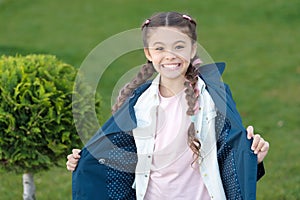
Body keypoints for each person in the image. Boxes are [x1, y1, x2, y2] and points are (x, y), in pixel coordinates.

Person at [67, 12, 269, 200]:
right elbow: (116, 153)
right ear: (148, 53)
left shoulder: (213, 97)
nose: (170, 55)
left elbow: (231, 149)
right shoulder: (139, 103)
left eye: (179, 46)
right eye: (160, 48)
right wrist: (84, 161)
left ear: (193, 49)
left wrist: (252, 156)